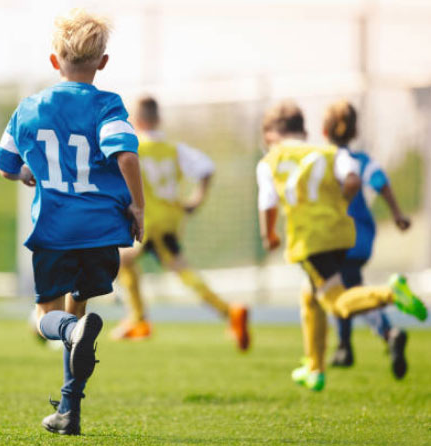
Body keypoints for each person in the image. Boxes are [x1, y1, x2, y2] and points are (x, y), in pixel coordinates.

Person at [0, 9, 144, 435]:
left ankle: (70, 331)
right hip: (101, 230)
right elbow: (126, 154)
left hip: (56, 229)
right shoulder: (107, 104)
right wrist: (138, 207)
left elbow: (7, 166)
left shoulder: (28, 108)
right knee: (80, 312)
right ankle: (68, 411)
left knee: (46, 319)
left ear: (54, 61)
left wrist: (27, 173)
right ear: (103, 62)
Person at [256, 100, 427, 391]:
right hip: (343, 234)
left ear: (271, 135)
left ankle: (391, 294)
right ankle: (315, 368)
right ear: (305, 130)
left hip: (311, 240)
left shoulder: (271, 161)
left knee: (336, 300)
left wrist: (269, 234)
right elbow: (353, 180)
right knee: (310, 296)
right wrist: (339, 205)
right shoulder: (331, 153)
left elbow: (268, 202)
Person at [109, 96, 250, 351]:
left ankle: (229, 312)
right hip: (172, 220)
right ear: (158, 119)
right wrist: (196, 200)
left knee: (153, 266)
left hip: (148, 221)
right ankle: (139, 319)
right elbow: (207, 167)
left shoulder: (133, 148)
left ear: (136, 121)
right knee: (131, 262)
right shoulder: (175, 149)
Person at [323, 100, 411, 378]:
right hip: (363, 237)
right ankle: (346, 347)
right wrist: (397, 214)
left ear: (325, 132)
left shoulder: (324, 160)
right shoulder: (362, 161)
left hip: (339, 236)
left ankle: (386, 332)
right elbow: (380, 181)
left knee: (340, 291)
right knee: (349, 287)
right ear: (354, 131)